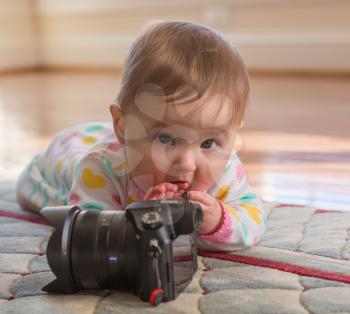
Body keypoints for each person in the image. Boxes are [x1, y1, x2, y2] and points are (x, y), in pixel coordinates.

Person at [16, 21, 266, 251]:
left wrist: (217, 220)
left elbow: (254, 221)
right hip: (72, 149)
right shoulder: (101, 168)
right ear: (122, 126)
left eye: (208, 143)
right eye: (165, 138)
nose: (187, 163)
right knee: (49, 178)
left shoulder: (226, 167)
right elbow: (88, 233)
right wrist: (141, 217)